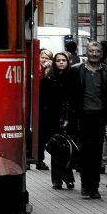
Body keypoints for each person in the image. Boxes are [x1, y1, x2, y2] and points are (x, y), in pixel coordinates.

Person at [73, 40, 107, 199]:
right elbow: (69, 97)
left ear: (102, 54)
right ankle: (85, 185)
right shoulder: (77, 71)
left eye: (97, 51)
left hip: (100, 117)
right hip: (82, 117)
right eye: (91, 51)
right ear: (86, 52)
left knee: (96, 154)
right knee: (84, 153)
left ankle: (94, 187)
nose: (94, 54)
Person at [40, 52, 78, 189]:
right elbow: (44, 102)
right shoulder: (48, 79)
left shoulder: (73, 77)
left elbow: (73, 99)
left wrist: (69, 117)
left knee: (67, 150)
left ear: (68, 62)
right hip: (53, 119)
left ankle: (67, 177)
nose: (61, 62)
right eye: (58, 60)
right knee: (56, 148)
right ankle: (57, 179)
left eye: (64, 60)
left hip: (70, 118)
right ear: (54, 63)